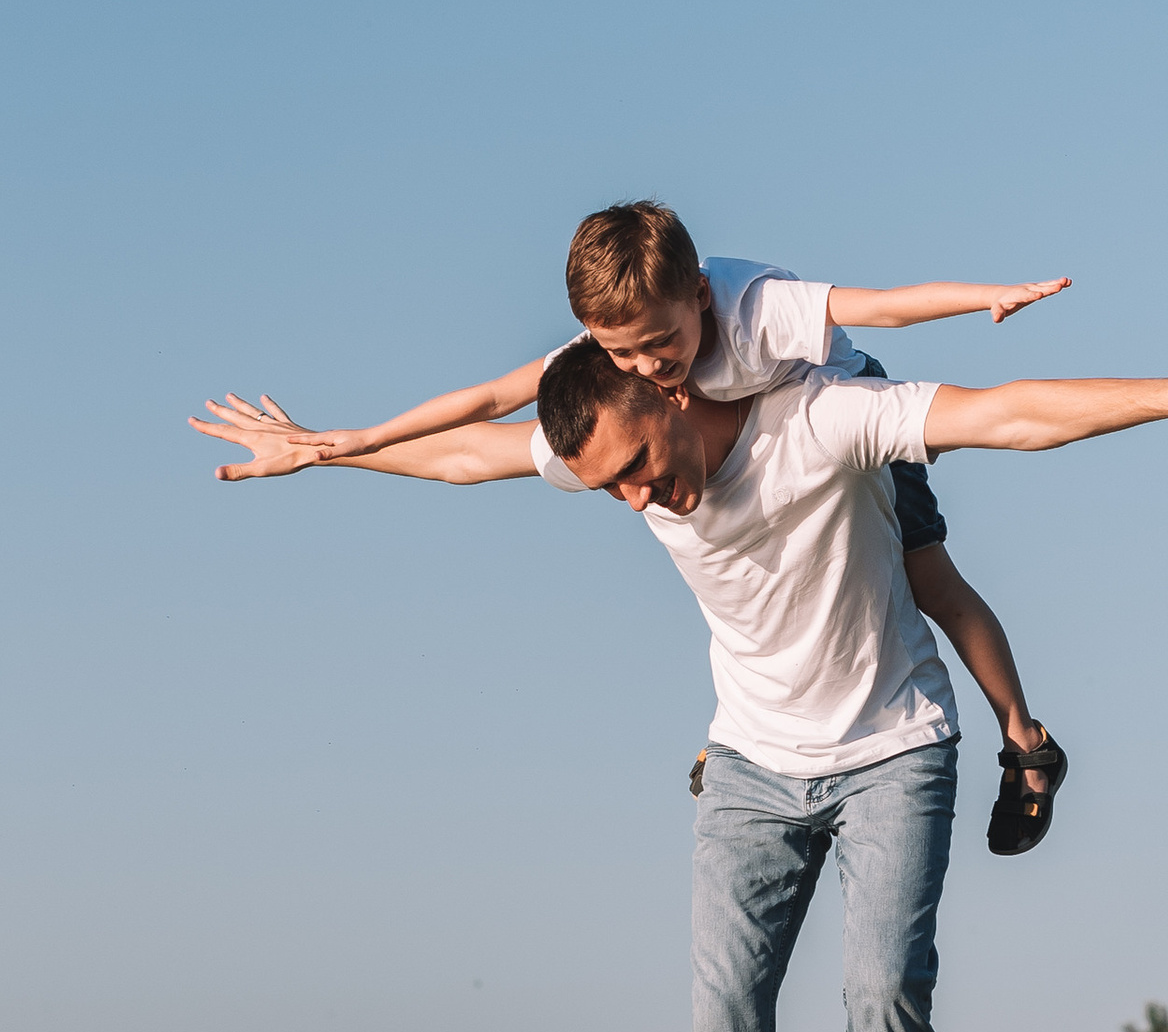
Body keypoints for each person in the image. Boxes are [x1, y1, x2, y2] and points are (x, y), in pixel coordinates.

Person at [192, 308, 1168, 1032]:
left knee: (882, 1000)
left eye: (638, 468)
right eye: (607, 484)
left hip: (892, 749)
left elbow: (1006, 413)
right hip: (751, 768)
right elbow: (469, 455)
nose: (632, 499)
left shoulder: (819, 421)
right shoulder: (613, 454)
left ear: (670, 389)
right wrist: (329, 452)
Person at [193, 202, 1078, 857]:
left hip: (840, 412)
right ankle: (747, 745)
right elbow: (481, 420)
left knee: (930, 580)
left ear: (697, 299)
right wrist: (343, 444)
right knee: (729, 558)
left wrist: (985, 297)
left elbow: (879, 304)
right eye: (622, 354)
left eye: (662, 345)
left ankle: (1025, 741)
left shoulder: (754, 310)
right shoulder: (610, 359)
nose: (648, 368)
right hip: (739, 478)